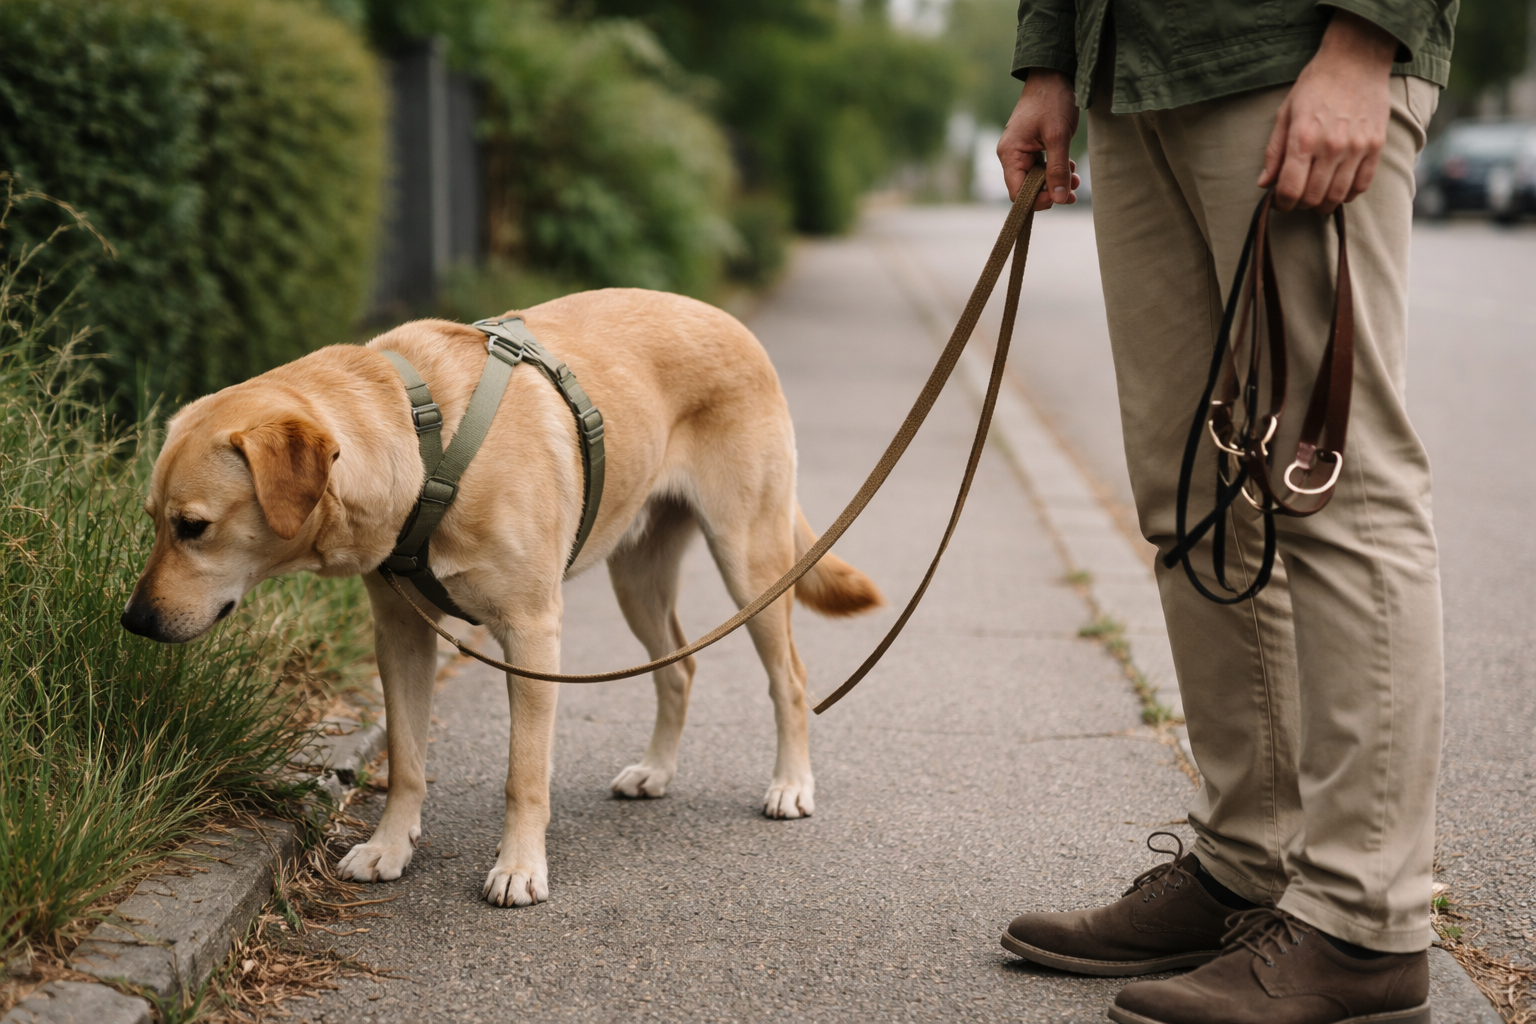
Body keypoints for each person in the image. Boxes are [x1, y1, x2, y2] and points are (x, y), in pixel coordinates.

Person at [995, 3, 1456, 1023]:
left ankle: (1365, 921)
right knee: (1191, 495)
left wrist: (1365, 39)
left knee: (1335, 483)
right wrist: (1051, 60)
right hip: (1130, 70)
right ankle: (1248, 860)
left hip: (1291, 50)